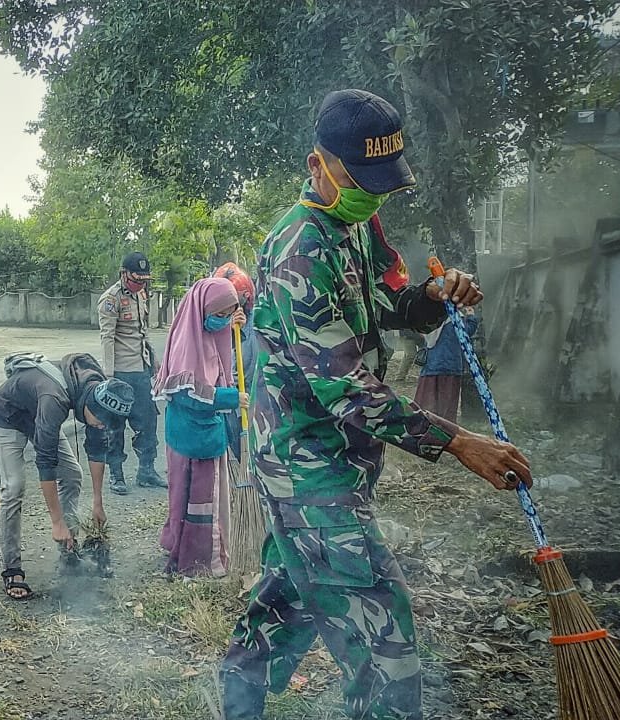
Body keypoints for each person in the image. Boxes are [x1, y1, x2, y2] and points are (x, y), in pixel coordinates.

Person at [220, 89, 532, 720]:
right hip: (308, 470)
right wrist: (461, 442)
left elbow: (390, 305)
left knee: (290, 600)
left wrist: (434, 295)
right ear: (319, 165)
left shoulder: (357, 227)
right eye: (361, 180)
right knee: (384, 641)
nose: (374, 195)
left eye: (382, 183)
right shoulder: (300, 252)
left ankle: (237, 701)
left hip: (334, 465)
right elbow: (350, 392)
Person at [0, 352, 133, 599]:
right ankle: (12, 569)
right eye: (99, 421)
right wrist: (56, 521)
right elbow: (46, 462)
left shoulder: (98, 390)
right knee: (14, 486)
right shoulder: (55, 398)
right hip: (7, 418)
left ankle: (68, 548)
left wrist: (98, 503)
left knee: (73, 474)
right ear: (90, 407)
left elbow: (97, 447)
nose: (101, 425)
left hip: (39, 415)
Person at [153, 278, 250, 578]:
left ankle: (201, 553)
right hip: (189, 436)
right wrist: (231, 398)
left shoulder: (213, 333)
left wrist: (238, 326)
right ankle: (194, 561)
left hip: (208, 433)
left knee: (204, 498)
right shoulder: (187, 342)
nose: (221, 320)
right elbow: (188, 393)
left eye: (227, 314)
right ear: (202, 309)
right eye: (218, 314)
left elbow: (228, 359)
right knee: (191, 499)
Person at [97, 251, 164, 495]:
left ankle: (146, 471)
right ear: (124, 275)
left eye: (143, 280)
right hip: (120, 372)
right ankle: (116, 476)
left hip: (141, 369)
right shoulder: (110, 299)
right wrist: (109, 375)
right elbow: (107, 337)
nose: (140, 284)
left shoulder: (142, 294)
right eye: (136, 280)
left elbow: (143, 333)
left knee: (148, 421)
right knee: (115, 427)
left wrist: (154, 361)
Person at [414, 307, 479, 425]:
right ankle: (443, 430)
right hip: (450, 366)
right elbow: (465, 333)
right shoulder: (455, 318)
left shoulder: (432, 318)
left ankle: (423, 427)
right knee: (447, 404)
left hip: (431, 367)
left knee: (426, 402)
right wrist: (471, 316)